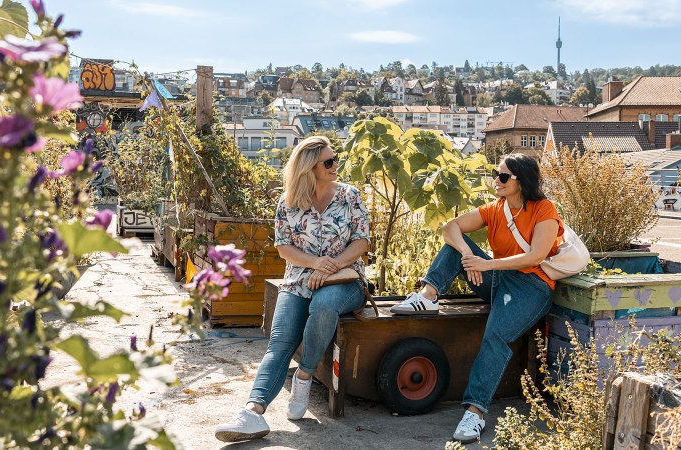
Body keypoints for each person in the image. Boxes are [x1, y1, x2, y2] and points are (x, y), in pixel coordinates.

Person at [390, 153, 563, 444]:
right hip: (498, 277)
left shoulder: (543, 209)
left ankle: (476, 412)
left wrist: (487, 264)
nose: (496, 180)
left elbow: (536, 255)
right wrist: (469, 255)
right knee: (456, 248)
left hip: (532, 286)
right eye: (496, 175)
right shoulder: (495, 209)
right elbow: (450, 227)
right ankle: (429, 295)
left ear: (521, 180)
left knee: (495, 335)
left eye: (503, 177)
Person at [215, 136, 371, 443]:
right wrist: (315, 264)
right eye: (328, 162)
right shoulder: (287, 203)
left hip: (346, 280)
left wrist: (331, 266)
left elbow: (362, 241)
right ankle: (252, 413)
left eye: (335, 159)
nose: (335, 165)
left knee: (323, 306)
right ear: (308, 168)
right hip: (300, 279)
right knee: (279, 343)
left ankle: (304, 375)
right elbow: (284, 248)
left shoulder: (349, 196)